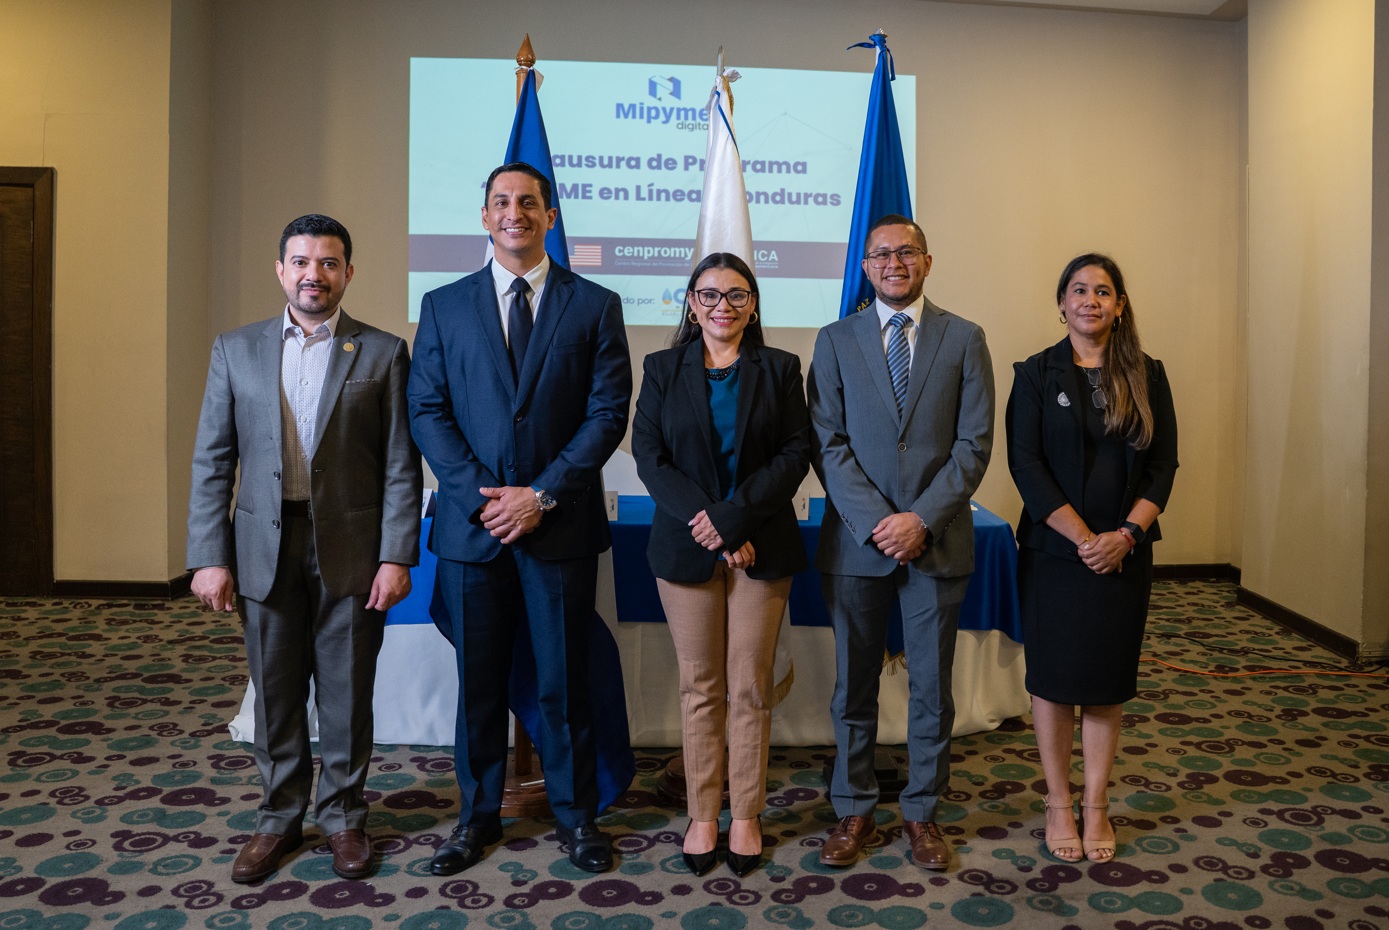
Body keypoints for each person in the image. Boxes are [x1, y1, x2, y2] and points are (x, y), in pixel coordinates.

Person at [408, 162, 632, 875]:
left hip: (558, 528)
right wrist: (486, 494)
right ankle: (474, 819)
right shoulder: (444, 305)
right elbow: (427, 409)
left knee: (562, 682)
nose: (515, 213)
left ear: (550, 216)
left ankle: (576, 818)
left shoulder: (594, 304)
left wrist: (540, 494)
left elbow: (605, 415)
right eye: (501, 203)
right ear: (484, 217)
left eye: (528, 203)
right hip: (474, 531)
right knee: (477, 684)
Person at [186, 214, 422, 883]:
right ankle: (279, 816)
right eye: (300, 261)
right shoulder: (236, 350)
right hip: (263, 545)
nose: (312, 275)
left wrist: (397, 553)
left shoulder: (381, 353)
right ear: (280, 269)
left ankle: (344, 816)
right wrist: (209, 554)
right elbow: (212, 460)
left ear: (348, 272)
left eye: (327, 263)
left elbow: (400, 465)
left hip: (350, 548)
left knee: (347, 692)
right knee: (277, 689)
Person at [807, 214, 995, 870]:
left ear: (927, 260)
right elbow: (826, 443)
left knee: (930, 687)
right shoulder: (832, 341)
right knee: (852, 685)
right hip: (857, 544)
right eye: (881, 254)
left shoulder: (964, 338)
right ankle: (852, 808)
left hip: (935, 542)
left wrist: (919, 520)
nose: (894, 262)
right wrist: (878, 522)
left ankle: (921, 812)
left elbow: (973, 445)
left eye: (906, 252)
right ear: (865, 266)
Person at [632, 252, 811, 878]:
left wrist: (735, 519)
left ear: (753, 305)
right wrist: (714, 529)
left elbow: (795, 453)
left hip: (762, 544)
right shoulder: (660, 368)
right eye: (709, 295)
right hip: (686, 547)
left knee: (749, 688)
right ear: (690, 303)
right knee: (700, 688)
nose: (722, 306)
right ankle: (703, 812)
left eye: (736, 295)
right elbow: (649, 457)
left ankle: (747, 815)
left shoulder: (782, 368)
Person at [1005, 253, 1177, 863]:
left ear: (1120, 305)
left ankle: (1097, 803)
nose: (1090, 300)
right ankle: (1057, 801)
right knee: (1052, 683)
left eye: (1104, 291)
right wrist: (1084, 539)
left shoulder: (1148, 375)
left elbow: (1163, 467)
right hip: (1055, 553)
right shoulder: (1033, 374)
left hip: (1125, 556)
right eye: (1079, 290)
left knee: (1105, 684)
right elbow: (1026, 466)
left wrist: (1125, 536)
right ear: (1061, 302)